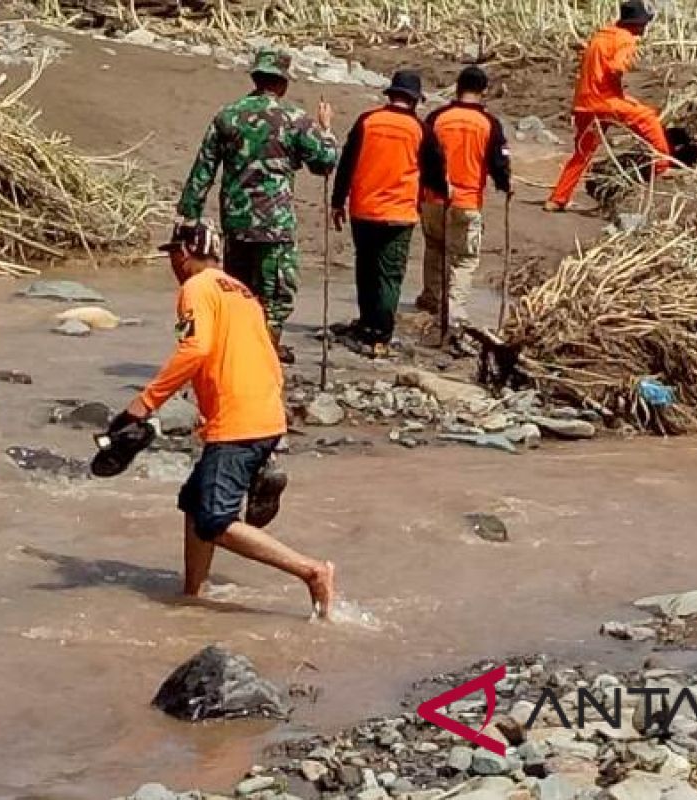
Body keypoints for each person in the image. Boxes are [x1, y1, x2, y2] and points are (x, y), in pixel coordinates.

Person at [114, 222, 335, 617]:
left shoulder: (194, 289)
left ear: (183, 254)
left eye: (172, 255)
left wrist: (144, 404)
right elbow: (269, 357)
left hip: (238, 422)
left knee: (215, 519)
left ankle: (311, 571)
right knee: (194, 502)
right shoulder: (243, 293)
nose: (172, 264)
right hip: (263, 415)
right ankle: (192, 595)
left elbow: (195, 348)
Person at [176, 48, 338, 365]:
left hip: (236, 222)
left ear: (255, 77)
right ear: (283, 82)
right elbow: (324, 162)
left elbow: (203, 170)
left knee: (239, 290)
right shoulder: (294, 120)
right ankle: (262, 352)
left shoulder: (228, 115)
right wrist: (326, 130)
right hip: (274, 223)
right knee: (276, 292)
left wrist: (189, 214)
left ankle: (236, 351)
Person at [331, 69, 450, 358]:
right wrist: (445, 194)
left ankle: (366, 325)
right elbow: (435, 173)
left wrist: (337, 202)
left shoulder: (367, 121)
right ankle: (380, 336)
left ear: (392, 95)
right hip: (399, 213)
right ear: (414, 100)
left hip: (364, 210)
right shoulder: (421, 130)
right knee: (390, 275)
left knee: (366, 269)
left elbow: (346, 163)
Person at [544, 0, 671, 213]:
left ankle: (557, 199)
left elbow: (598, 75)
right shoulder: (625, 39)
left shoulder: (602, 35)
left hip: (584, 103)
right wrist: (623, 67)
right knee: (648, 119)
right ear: (637, 24)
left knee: (582, 153)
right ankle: (662, 168)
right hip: (604, 103)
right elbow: (615, 68)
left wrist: (621, 95)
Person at [416, 66, 512, 345]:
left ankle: (431, 298)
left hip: (433, 197)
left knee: (435, 246)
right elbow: (499, 163)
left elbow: (423, 155)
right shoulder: (489, 124)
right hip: (467, 200)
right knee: (463, 259)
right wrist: (505, 185)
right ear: (483, 92)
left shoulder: (437, 118)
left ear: (457, 88)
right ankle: (454, 312)